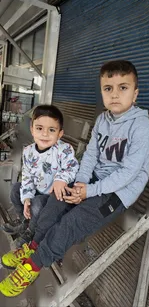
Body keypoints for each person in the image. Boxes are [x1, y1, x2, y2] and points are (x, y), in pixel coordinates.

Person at [0, 60, 149, 297]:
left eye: (123, 88)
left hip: (117, 193)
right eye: (108, 88)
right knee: (56, 200)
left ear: (135, 94)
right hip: (91, 181)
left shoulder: (141, 128)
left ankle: (34, 264)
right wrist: (80, 183)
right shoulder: (103, 120)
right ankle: (33, 246)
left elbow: (129, 174)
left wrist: (88, 192)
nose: (114, 95)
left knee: (71, 223)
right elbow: (91, 154)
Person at [1, 104, 79, 247]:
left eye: (51, 130)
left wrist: (61, 179)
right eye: (39, 128)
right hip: (36, 189)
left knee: (36, 205)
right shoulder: (28, 151)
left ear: (60, 133)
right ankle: (25, 222)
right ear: (32, 130)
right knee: (16, 190)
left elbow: (72, 167)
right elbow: (27, 176)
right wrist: (26, 199)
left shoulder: (64, 149)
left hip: (51, 198)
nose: (45, 134)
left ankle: (32, 233)